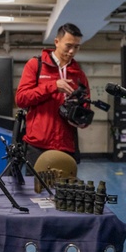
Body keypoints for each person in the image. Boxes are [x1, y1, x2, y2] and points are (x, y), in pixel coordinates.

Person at [15, 22, 91, 167]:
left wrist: (81, 119)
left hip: (66, 145)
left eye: (76, 47)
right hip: (37, 145)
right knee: (35, 188)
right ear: (56, 42)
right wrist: (53, 86)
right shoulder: (36, 65)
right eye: (68, 46)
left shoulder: (79, 74)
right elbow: (21, 99)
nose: (72, 52)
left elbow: (86, 107)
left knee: (63, 189)